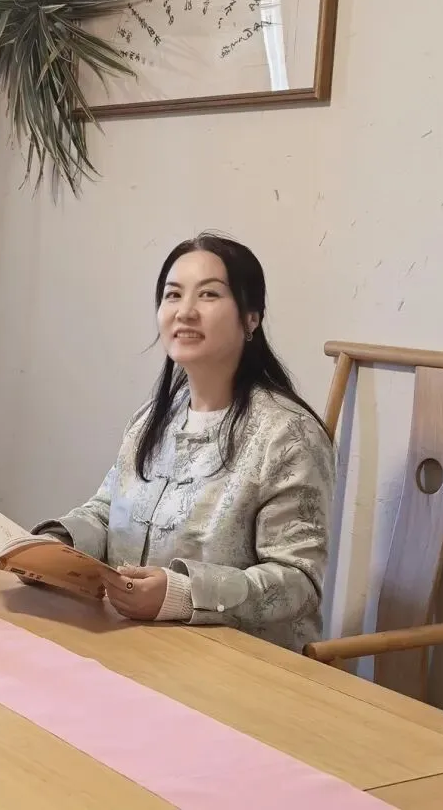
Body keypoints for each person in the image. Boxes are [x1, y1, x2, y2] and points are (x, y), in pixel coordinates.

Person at [32, 233, 335, 651]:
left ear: (251, 318)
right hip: (135, 644)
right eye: (173, 295)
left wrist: (181, 594)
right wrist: (55, 545)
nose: (185, 311)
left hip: (239, 664)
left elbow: (298, 581)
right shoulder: (152, 419)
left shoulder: (288, 435)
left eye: (209, 294)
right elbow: (106, 512)